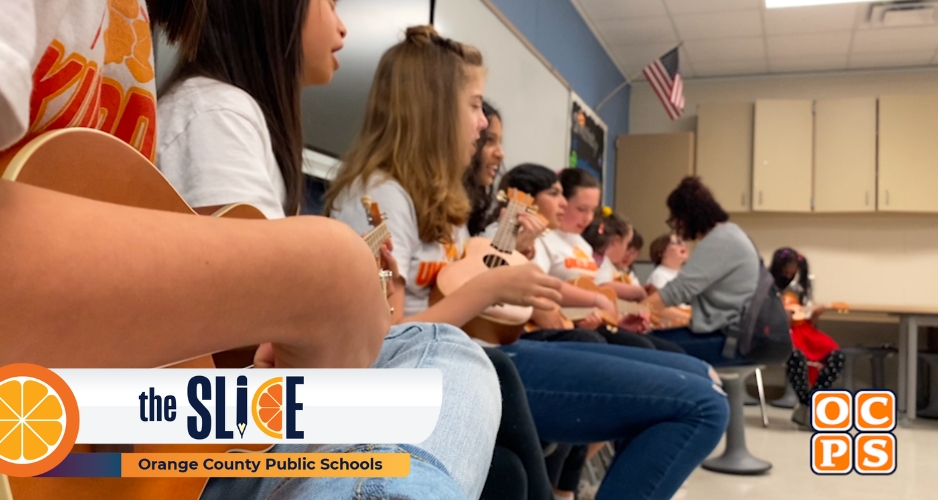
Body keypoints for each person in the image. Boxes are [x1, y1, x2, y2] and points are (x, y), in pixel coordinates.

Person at [152, 4, 500, 499]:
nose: (343, 25)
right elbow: (249, 334)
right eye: (329, 3)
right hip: (217, 438)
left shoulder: (232, 117)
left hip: (239, 416)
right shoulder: (217, 112)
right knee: (442, 350)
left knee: (466, 376)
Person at [645, 177, 761, 366]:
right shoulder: (730, 233)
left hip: (728, 341)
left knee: (645, 346)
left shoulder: (719, 242)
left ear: (687, 217)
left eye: (676, 219)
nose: (676, 226)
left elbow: (676, 291)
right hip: (736, 335)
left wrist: (628, 313)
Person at [771, 247, 845, 427]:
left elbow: (806, 320)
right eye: (787, 268)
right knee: (796, 357)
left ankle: (811, 403)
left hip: (804, 331)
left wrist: (814, 315)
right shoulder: (768, 286)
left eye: (794, 268)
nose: (790, 272)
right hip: (779, 331)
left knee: (837, 356)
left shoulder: (800, 288)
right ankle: (809, 406)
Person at [582, 209, 646, 301]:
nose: (626, 251)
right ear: (616, 241)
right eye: (627, 244)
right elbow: (601, 286)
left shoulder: (609, 264)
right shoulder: (599, 262)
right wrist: (638, 292)